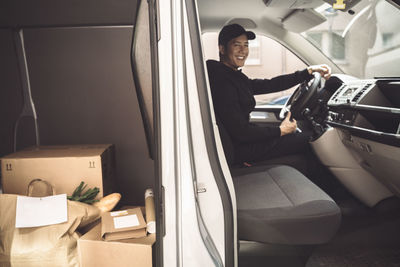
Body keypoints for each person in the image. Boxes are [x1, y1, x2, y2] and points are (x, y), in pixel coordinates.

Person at [207, 23, 331, 166]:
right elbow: (241, 132)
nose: (243, 50)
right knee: (311, 139)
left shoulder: (233, 76)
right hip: (240, 150)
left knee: (306, 139)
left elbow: (269, 84)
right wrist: (280, 130)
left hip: (242, 144)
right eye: (236, 45)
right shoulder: (222, 82)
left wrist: (307, 72)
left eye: (246, 45)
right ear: (222, 49)